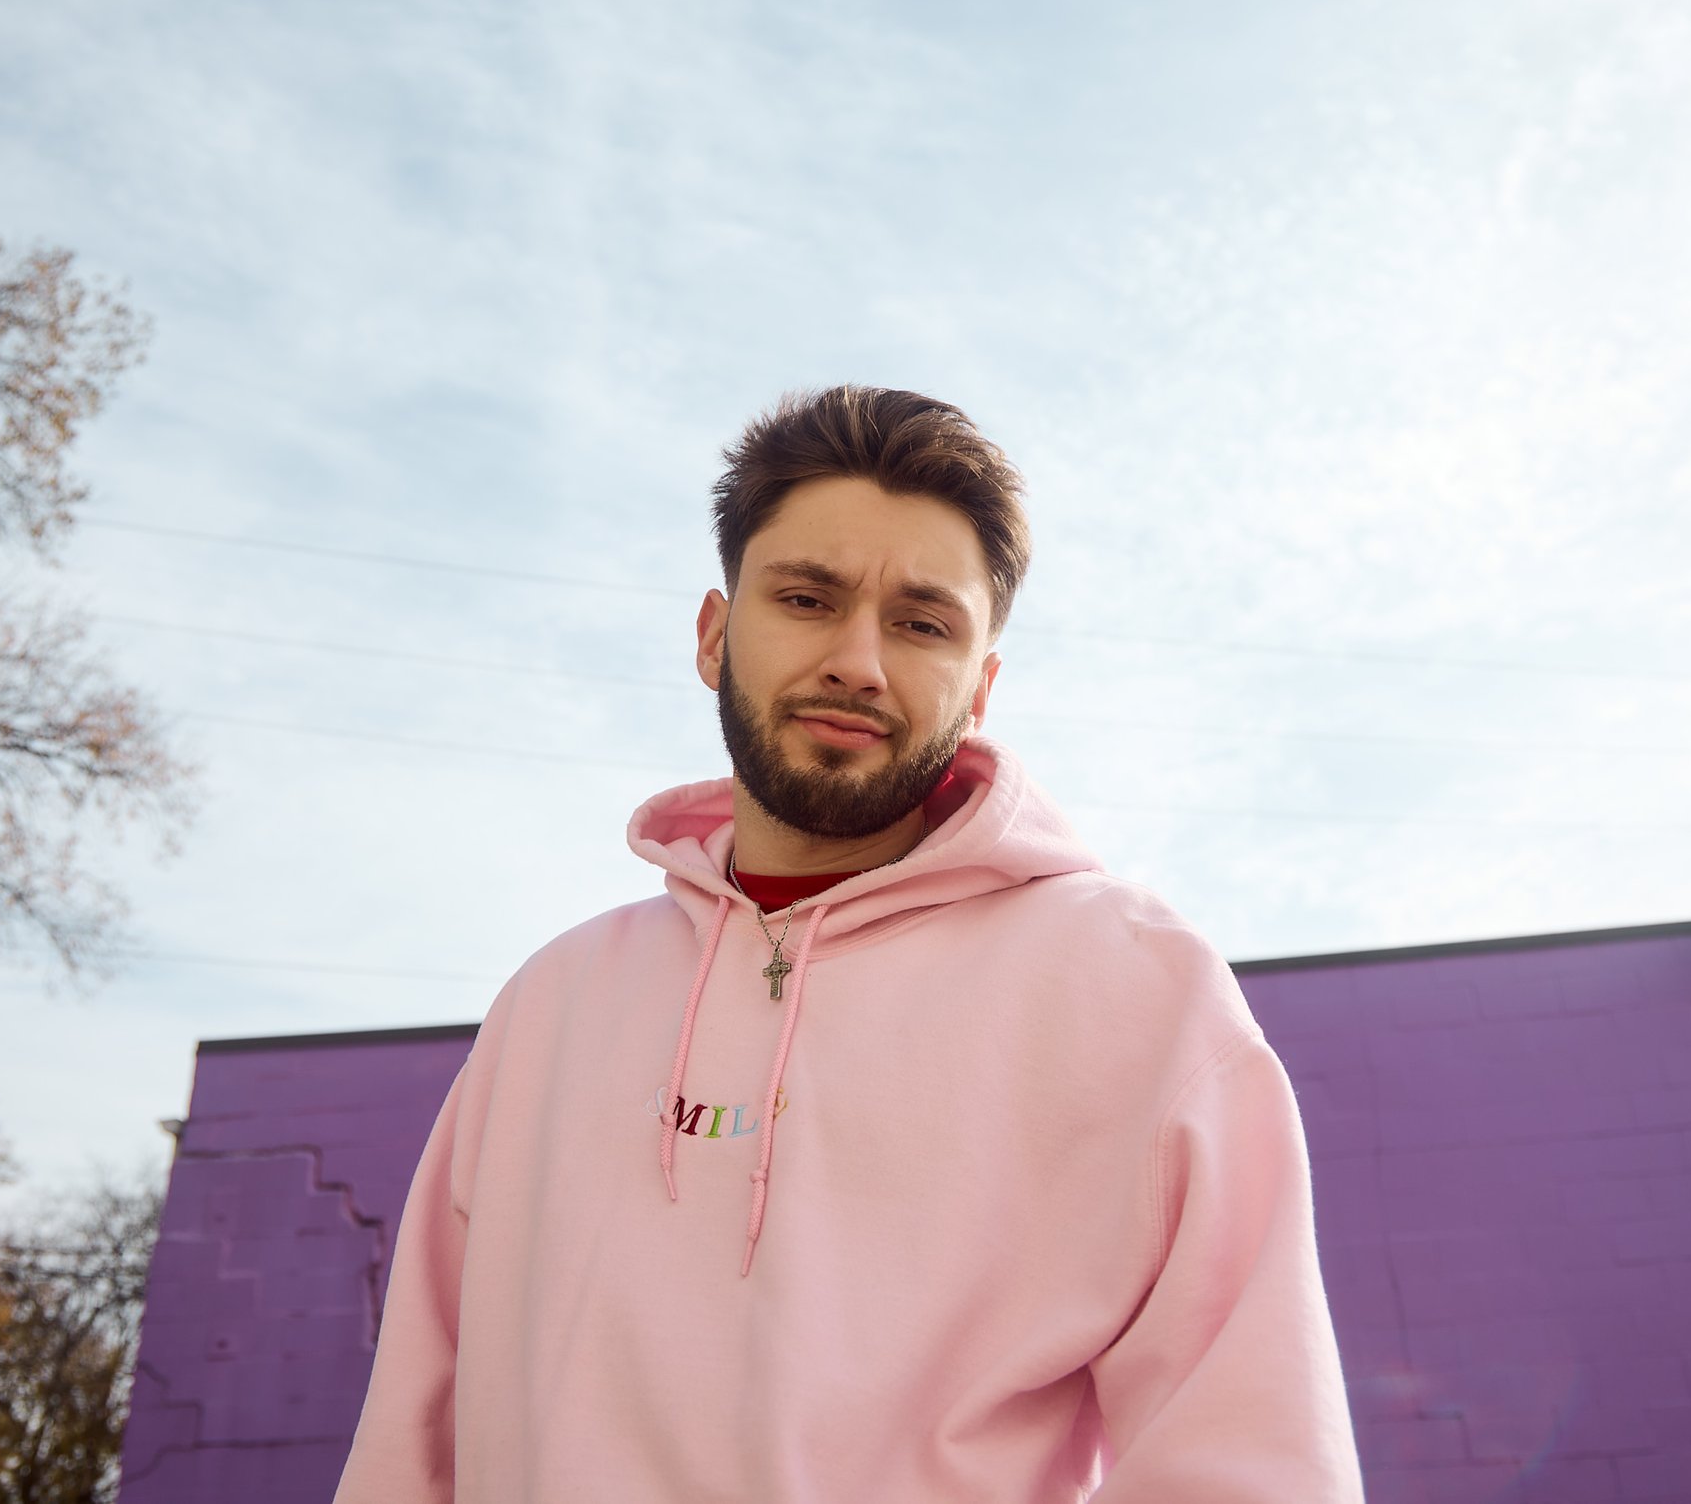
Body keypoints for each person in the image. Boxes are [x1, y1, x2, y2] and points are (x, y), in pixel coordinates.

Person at [334, 386, 1365, 1501]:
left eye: (922, 621)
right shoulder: (553, 1002)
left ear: (981, 685)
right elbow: (410, 1438)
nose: (858, 661)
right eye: (809, 597)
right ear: (715, 634)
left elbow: (1250, 1459)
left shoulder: (1133, 983)